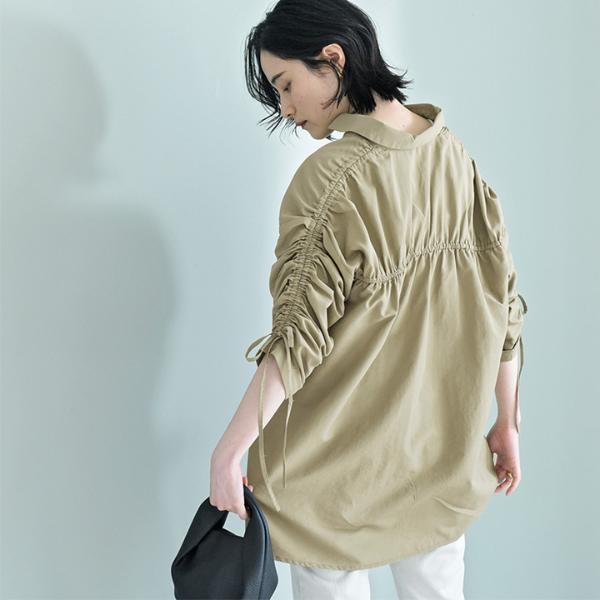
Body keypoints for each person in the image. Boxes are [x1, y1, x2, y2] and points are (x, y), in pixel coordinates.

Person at [209, 0, 528, 598]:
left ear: (332, 58)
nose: (284, 107)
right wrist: (506, 421)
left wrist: (229, 452)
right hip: (439, 461)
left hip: (333, 477)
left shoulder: (329, 181)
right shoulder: (453, 155)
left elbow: (298, 337)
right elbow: (504, 303)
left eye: (286, 84)